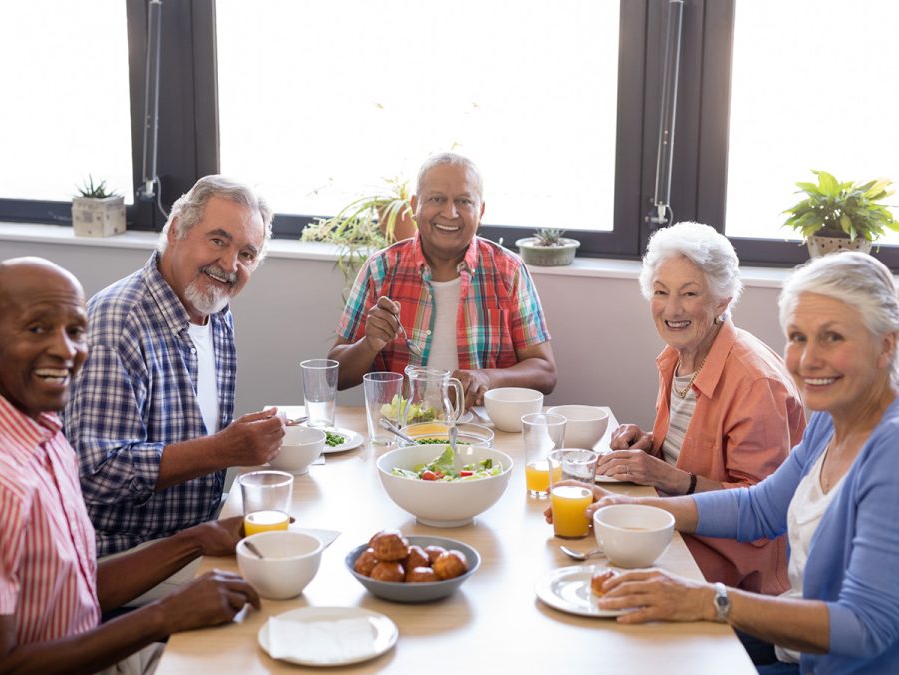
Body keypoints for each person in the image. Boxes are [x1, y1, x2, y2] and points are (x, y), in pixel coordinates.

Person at [579, 252, 899, 673]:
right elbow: (759, 507)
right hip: (793, 643)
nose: (808, 360)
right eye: (798, 337)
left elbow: (866, 627)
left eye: (833, 337)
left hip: (823, 662)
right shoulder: (833, 418)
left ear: (885, 346)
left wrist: (706, 599)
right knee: (623, 638)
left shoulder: (890, 451)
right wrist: (634, 509)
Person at [0, 257, 260, 674]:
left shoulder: (46, 437)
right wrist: (165, 615)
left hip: (96, 646)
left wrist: (196, 539)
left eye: (76, 331)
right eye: (37, 329)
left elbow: (78, 592)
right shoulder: (6, 483)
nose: (66, 350)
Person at [64, 175, 285, 558]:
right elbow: (96, 473)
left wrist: (237, 444)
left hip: (192, 531)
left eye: (247, 254)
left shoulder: (215, 313)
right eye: (218, 240)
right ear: (176, 230)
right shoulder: (119, 321)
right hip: (126, 555)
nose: (230, 264)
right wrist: (221, 449)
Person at [597, 222, 805, 595]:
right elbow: (692, 452)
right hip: (681, 532)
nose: (672, 309)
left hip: (735, 573)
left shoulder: (755, 383)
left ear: (722, 301)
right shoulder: (680, 356)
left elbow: (761, 510)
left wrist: (667, 478)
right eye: (661, 292)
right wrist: (648, 446)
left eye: (689, 293)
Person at [327, 152, 557, 408]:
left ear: (480, 210)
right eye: (437, 199)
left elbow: (546, 373)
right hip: (399, 433)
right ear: (415, 205)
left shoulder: (508, 270)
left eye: (464, 201)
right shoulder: (380, 269)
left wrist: (488, 378)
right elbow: (336, 375)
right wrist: (368, 344)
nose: (450, 212)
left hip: (483, 435)